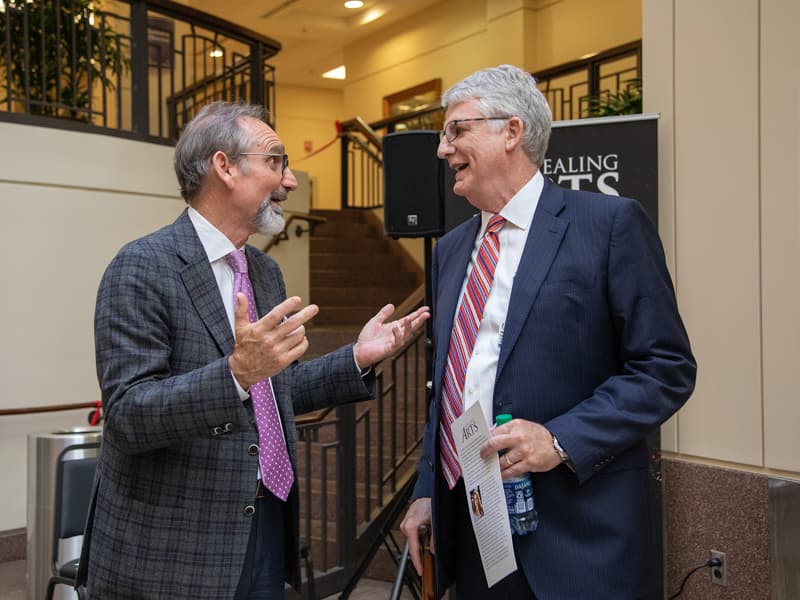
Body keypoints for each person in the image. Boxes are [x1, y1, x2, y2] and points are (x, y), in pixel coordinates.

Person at [76, 101, 429, 599]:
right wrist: (235, 374)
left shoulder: (263, 272)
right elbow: (130, 415)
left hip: (263, 525)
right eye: (276, 161)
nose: (288, 182)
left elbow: (274, 389)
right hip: (172, 555)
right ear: (224, 166)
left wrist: (358, 356)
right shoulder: (141, 267)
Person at [400, 65, 696, 599]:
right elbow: (448, 387)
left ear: (511, 132)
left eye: (457, 130)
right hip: (475, 534)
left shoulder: (609, 225)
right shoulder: (448, 251)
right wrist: (426, 491)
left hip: (579, 542)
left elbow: (666, 368)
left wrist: (560, 440)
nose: (443, 149)